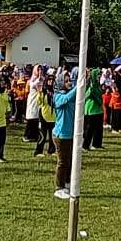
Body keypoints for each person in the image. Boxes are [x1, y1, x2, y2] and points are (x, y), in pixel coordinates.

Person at [51, 68, 77, 198]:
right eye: (66, 81)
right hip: (61, 135)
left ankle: (67, 184)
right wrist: (79, 85)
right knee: (62, 162)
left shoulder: (71, 94)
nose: (69, 83)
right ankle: (58, 187)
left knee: (70, 161)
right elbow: (67, 98)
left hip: (71, 134)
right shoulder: (58, 96)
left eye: (70, 80)